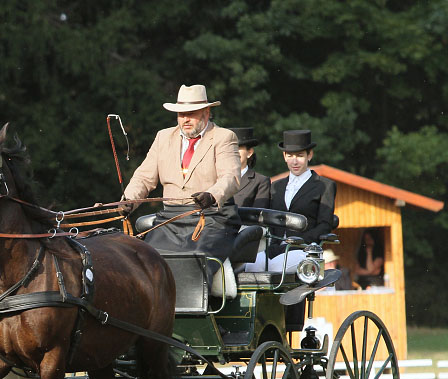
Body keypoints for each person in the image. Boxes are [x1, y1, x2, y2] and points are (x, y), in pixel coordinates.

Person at [122, 84, 241, 277]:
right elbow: (144, 178)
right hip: (170, 220)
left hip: (211, 219)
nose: (185, 119)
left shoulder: (223, 137)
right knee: (145, 261)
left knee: (192, 262)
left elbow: (231, 177)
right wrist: (127, 201)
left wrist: (211, 195)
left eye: (191, 113)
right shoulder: (163, 137)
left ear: (207, 112)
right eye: (180, 114)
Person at [245, 129, 336, 272]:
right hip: (274, 247)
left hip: (304, 248)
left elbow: (325, 224)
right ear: (284, 156)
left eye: (300, 156)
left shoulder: (324, 185)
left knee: (275, 268)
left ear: (309, 155)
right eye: (290, 155)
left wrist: (302, 241)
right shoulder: (276, 186)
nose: (294, 161)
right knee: (250, 266)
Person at [229, 127, 270, 208]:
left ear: (249, 152)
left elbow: (258, 214)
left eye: (237, 149)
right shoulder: (215, 178)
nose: (233, 153)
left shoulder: (260, 181)